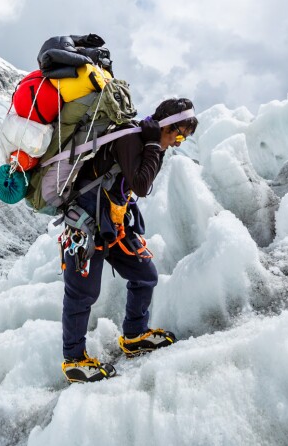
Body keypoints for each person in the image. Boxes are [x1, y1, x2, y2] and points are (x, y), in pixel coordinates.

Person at [61, 98, 198, 383]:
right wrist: (153, 145)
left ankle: (134, 335)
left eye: (183, 139)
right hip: (85, 224)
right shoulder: (130, 138)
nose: (178, 143)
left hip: (112, 224)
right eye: (179, 136)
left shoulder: (146, 142)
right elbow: (142, 185)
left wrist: (154, 146)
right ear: (166, 126)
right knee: (82, 293)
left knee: (145, 274)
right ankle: (74, 361)